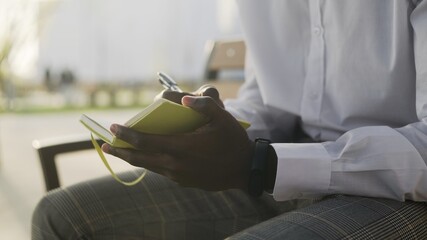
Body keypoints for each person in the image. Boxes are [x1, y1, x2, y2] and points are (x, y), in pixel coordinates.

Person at [32, 1, 427, 239]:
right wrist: (210, 123)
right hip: (275, 173)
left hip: (400, 195)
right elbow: (270, 101)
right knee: (62, 217)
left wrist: (261, 165)